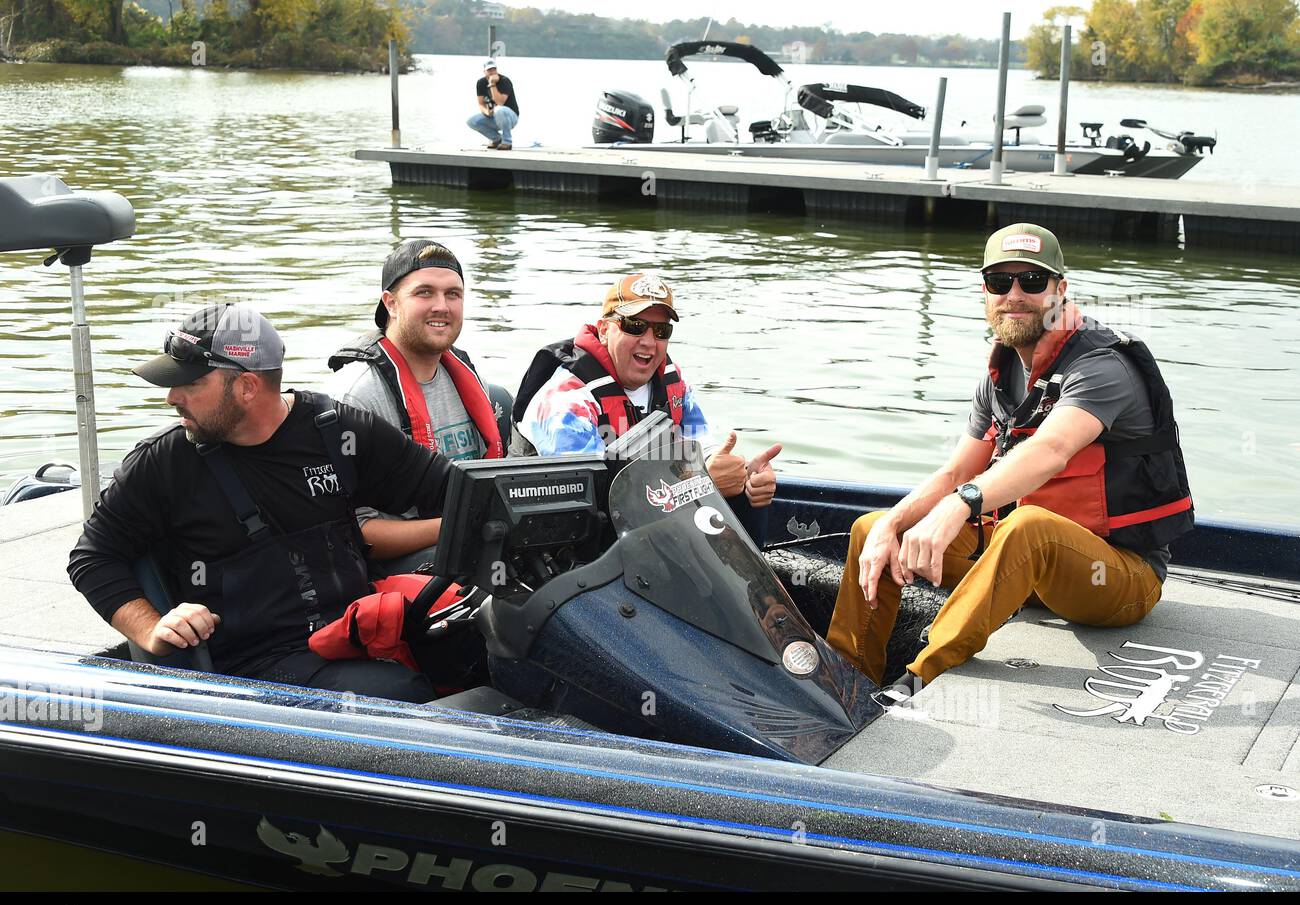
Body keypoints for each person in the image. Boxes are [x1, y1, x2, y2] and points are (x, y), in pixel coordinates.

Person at [827, 223, 1193, 689]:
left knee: (1028, 526)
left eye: (1032, 282)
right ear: (985, 292)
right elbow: (959, 469)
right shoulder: (1001, 374)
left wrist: (960, 504)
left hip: (1118, 578)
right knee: (874, 528)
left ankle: (917, 681)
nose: (1014, 294)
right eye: (1000, 282)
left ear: (1060, 291)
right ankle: (845, 683)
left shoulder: (1102, 366)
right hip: (1025, 572)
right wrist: (892, 523)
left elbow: (1052, 449)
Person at [68, 303, 455, 703]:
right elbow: (93, 558)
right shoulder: (162, 463)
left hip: (356, 632)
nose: (171, 397)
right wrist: (152, 628)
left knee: (476, 649)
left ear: (247, 387)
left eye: (190, 384)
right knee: (403, 695)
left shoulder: (339, 432)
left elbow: (454, 492)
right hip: (254, 670)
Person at [512, 272, 781, 516]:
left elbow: (701, 450)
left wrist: (744, 478)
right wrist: (703, 482)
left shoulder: (674, 387)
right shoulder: (566, 401)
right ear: (605, 330)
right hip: (573, 538)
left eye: (661, 331)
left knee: (748, 504)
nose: (649, 342)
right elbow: (592, 498)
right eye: (634, 325)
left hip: (647, 521)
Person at [328, 240, 502, 574]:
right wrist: (464, 521)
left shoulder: (465, 374)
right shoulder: (354, 397)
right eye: (425, 293)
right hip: (396, 570)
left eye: (453, 294)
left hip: (470, 540)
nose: (442, 306)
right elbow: (352, 534)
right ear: (390, 303)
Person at [466, 58, 520, 151]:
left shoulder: (504, 81)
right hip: (494, 117)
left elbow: (500, 102)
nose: (492, 72)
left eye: (494, 69)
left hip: (511, 117)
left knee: (499, 109)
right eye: (489, 70)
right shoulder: (481, 83)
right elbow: (481, 104)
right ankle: (496, 139)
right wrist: (487, 112)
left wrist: (492, 84)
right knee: (471, 121)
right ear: (484, 71)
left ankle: (507, 142)